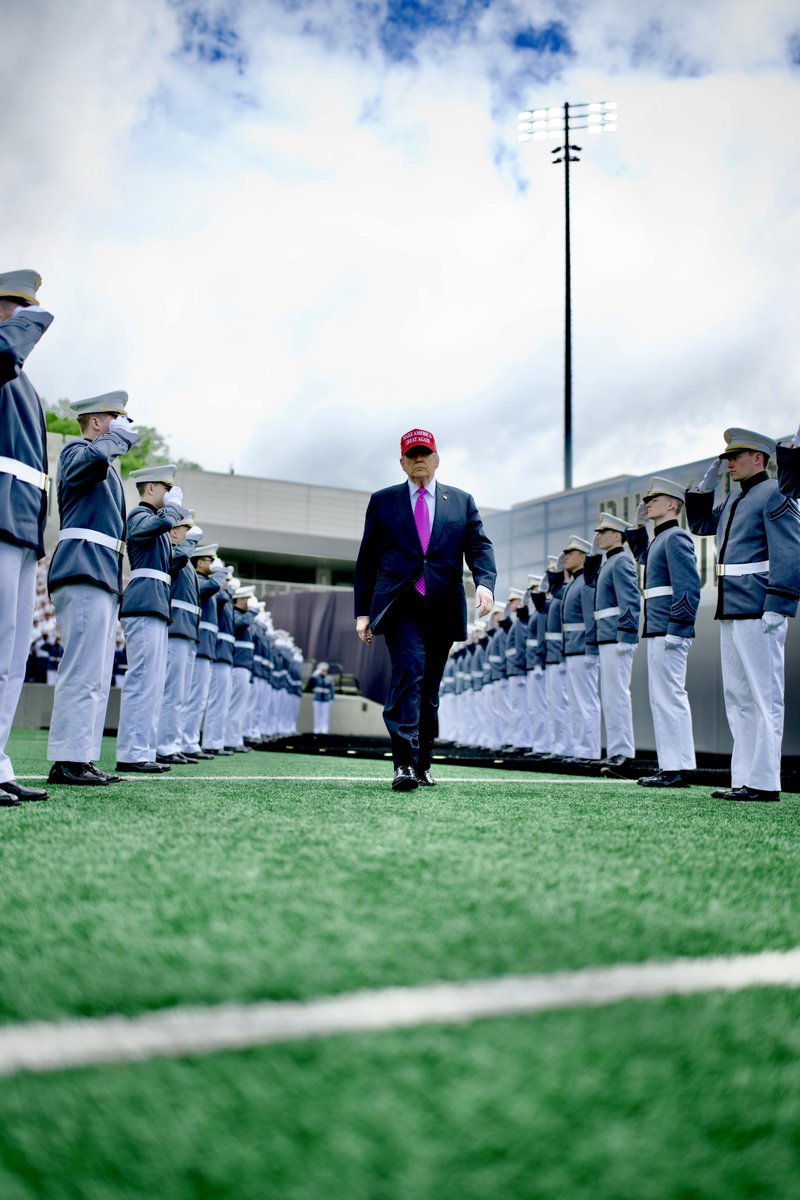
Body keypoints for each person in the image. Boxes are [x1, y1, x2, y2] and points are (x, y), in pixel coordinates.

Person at [354, 428, 495, 790]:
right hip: (400, 606)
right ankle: (403, 763)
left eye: (425, 453)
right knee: (409, 673)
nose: (419, 460)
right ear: (402, 462)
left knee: (429, 688)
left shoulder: (461, 501)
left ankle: (422, 762)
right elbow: (367, 560)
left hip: (442, 607)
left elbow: (479, 546)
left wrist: (484, 583)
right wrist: (363, 612)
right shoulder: (383, 501)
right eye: (412, 455)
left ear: (436, 459)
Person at [686, 429, 800, 802]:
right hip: (733, 607)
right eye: (726, 458)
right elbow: (702, 525)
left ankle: (765, 782)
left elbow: (789, 549)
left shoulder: (775, 494)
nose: (729, 463)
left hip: (759, 606)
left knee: (764, 696)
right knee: (738, 695)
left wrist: (778, 602)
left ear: (760, 458)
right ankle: (745, 777)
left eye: (737, 456)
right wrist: (705, 486)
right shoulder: (736, 498)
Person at [46, 391, 140, 786]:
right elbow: (93, 460)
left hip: (99, 573)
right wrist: (115, 442)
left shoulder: (103, 464)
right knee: (82, 669)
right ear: (97, 422)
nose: (122, 426)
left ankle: (80, 756)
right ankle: (67, 759)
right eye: (115, 419)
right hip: (82, 568)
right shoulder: (76, 452)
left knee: (97, 673)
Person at [0, 269, 53, 807]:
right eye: (13, 307)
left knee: (10, 656)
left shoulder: (26, 387)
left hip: (19, 527)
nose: (23, 317)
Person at [115, 464, 191, 773]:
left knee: (153, 683)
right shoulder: (139, 516)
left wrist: (185, 540)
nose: (170, 494)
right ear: (150, 488)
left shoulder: (158, 523)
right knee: (143, 680)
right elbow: (143, 530)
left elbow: (172, 561)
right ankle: (132, 752)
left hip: (156, 605)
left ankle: (143, 750)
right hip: (144, 603)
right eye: (165, 488)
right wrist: (172, 514)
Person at [625, 478, 700, 788]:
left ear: (672, 504)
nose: (648, 503)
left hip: (668, 630)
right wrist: (637, 525)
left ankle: (677, 767)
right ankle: (671, 764)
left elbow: (689, 585)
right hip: (658, 629)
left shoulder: (677, 538)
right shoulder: (660, 540)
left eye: (655, 499)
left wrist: (678, 627)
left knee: (670, 697)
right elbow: (644, 554)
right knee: (662, 698)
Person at [584, 513, 641, 768]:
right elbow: (588, 580)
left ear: (617, 536)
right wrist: (594, 554)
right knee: (610, 694)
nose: (598, 536)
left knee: (617, 694)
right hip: (607, 637)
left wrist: (627, 635)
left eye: (602, 532)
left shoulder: (621, 561)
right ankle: (617, 748)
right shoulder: (610, 562)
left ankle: (623, 750)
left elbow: (630, 599)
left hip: (616, 637)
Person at [155, 515, 204, 764]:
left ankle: (171, 744)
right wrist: (189, 544)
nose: (190, 533)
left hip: (186, 633)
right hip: (175, 631)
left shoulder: (184, 561)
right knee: (172, 692)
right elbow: (172, 559)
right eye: (186, 528)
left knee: (180, 694)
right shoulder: (174, 554)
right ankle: (163, 746)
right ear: (174, 533)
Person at [181, 543, 225, 759]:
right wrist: (221, 573)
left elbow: (223, 596)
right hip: (198, 646)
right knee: (193, 698)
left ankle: (190, 742)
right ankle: (186, 742)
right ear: (199, 562)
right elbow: (213, 589)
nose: (213, 564)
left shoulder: (207, 582)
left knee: (199, 700)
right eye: (210, 560)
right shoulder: (197, 580)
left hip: (205, 648)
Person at [560, 536, 601, 764]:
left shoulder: (585, 583)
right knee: (576, 704)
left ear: (583, 557)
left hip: (583, 650)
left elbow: (590, 618)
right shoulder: (574, 583)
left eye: (571, 553)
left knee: (586, 702)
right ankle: (580, 749)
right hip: (573, 649)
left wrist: (592, 648)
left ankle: (589, 750)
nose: (566, 556)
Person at [309, 662, 335, 735]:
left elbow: (332, 689)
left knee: (324, 715)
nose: (324, 672)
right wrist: (313, 675)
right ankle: (317, 728)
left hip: (326, 699)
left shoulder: (329, 678)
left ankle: (324, 729)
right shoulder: (316, 677)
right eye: (322, 670)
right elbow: (310, 684)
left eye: (325, 670)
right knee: (317, 714)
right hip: (317, 698)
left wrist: (332, 698)